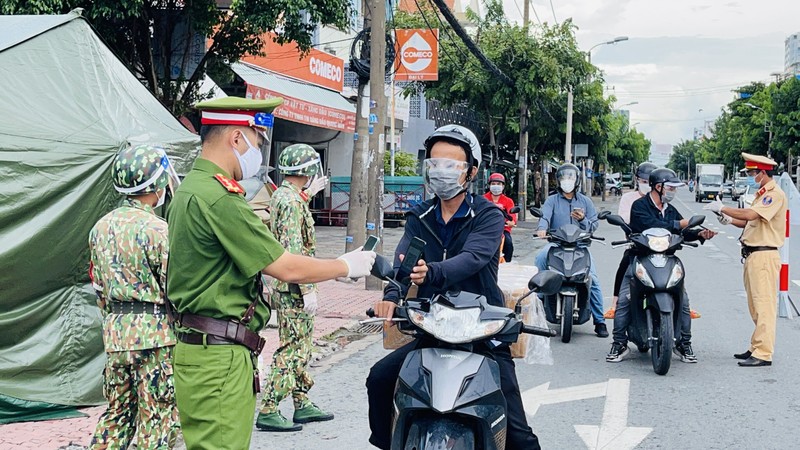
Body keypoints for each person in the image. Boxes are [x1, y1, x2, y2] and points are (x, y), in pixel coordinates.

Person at [166, 97, 376, 450]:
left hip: (204, 345)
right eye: (257, 142)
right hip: (219, 355)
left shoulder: (190, 189)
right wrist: (345, 266)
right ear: (236, 138)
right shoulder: (218, 197)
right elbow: (286, 265)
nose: (258, 152)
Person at [366, 124, 542, 450]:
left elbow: (474, 258)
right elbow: (405, 266)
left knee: (518, 433)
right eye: (434, 164)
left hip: (483, 331)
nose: (441, 172)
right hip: (434, 329)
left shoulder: (487, 215)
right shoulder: (421, 216)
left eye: (452, 165)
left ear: (471, 172)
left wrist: (431, 272)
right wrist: (391, 296)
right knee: (379, 379)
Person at [88, 144, 181, 449]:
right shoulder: (159, 230)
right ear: (156, 184)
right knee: (157, 417)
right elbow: (174, 289)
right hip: (155, 335)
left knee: (117, 414)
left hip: (116, 334)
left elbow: (99, 285)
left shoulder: (100, 228)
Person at [255, 144, 332, 431]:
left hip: (289, 286)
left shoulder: (288, 197)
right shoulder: (289, 202)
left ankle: (301, 402)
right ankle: (270, 406)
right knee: (294, 348)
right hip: (293, 288)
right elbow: (293, 248)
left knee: (303, 344)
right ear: (308, 170)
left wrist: (307, 196)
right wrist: (307, 287)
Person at [606, 168, 716, 363]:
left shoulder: (671, 210)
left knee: (683, 300)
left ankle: (684, 343)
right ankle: (619, 343)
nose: (673, 191)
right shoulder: (639, 206)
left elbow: (684, 230)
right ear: (659, 187)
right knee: (624, 299)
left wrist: (699, 234)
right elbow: (650, 224)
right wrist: (680, 224)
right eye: (671, 187)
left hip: (667, 260)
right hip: (640, 258)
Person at [705, 152, 786, 367]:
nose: (750, 176)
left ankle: (763, 353)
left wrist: (722, 207)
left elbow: (751, 215)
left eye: (752, 173)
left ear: (762, 173)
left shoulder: (773, 194)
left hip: (764, 255)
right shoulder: (761, 194)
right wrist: (727, 218)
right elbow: (748, 223)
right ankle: (756, 346)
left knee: (764, 305)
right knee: (755, 305)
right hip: (753, 255)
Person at [535, 163, 609, 338]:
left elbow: (594, 225)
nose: (566, 181)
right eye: (563, 178)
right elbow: (545, 216)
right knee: (540, 259)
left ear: (576, 181)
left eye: (570, 177)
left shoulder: (585, 202)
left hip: (580, 246)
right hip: (556, 245)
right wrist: (542, 229)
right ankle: (538, 304)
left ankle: (600, 321)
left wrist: (583, 219)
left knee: (594, 280)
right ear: (558, 180)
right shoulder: (552, 200)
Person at [484, 172, 517, 262]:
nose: (496, 186)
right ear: (489, 185)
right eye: (493, 184)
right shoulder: (483, 199)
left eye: (498, 184)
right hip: (486, 228)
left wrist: (511, 222)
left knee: (508, 243)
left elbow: (512, 216)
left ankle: (507, 262)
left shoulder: (508, 201)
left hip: (503, 229)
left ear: (503, 186)